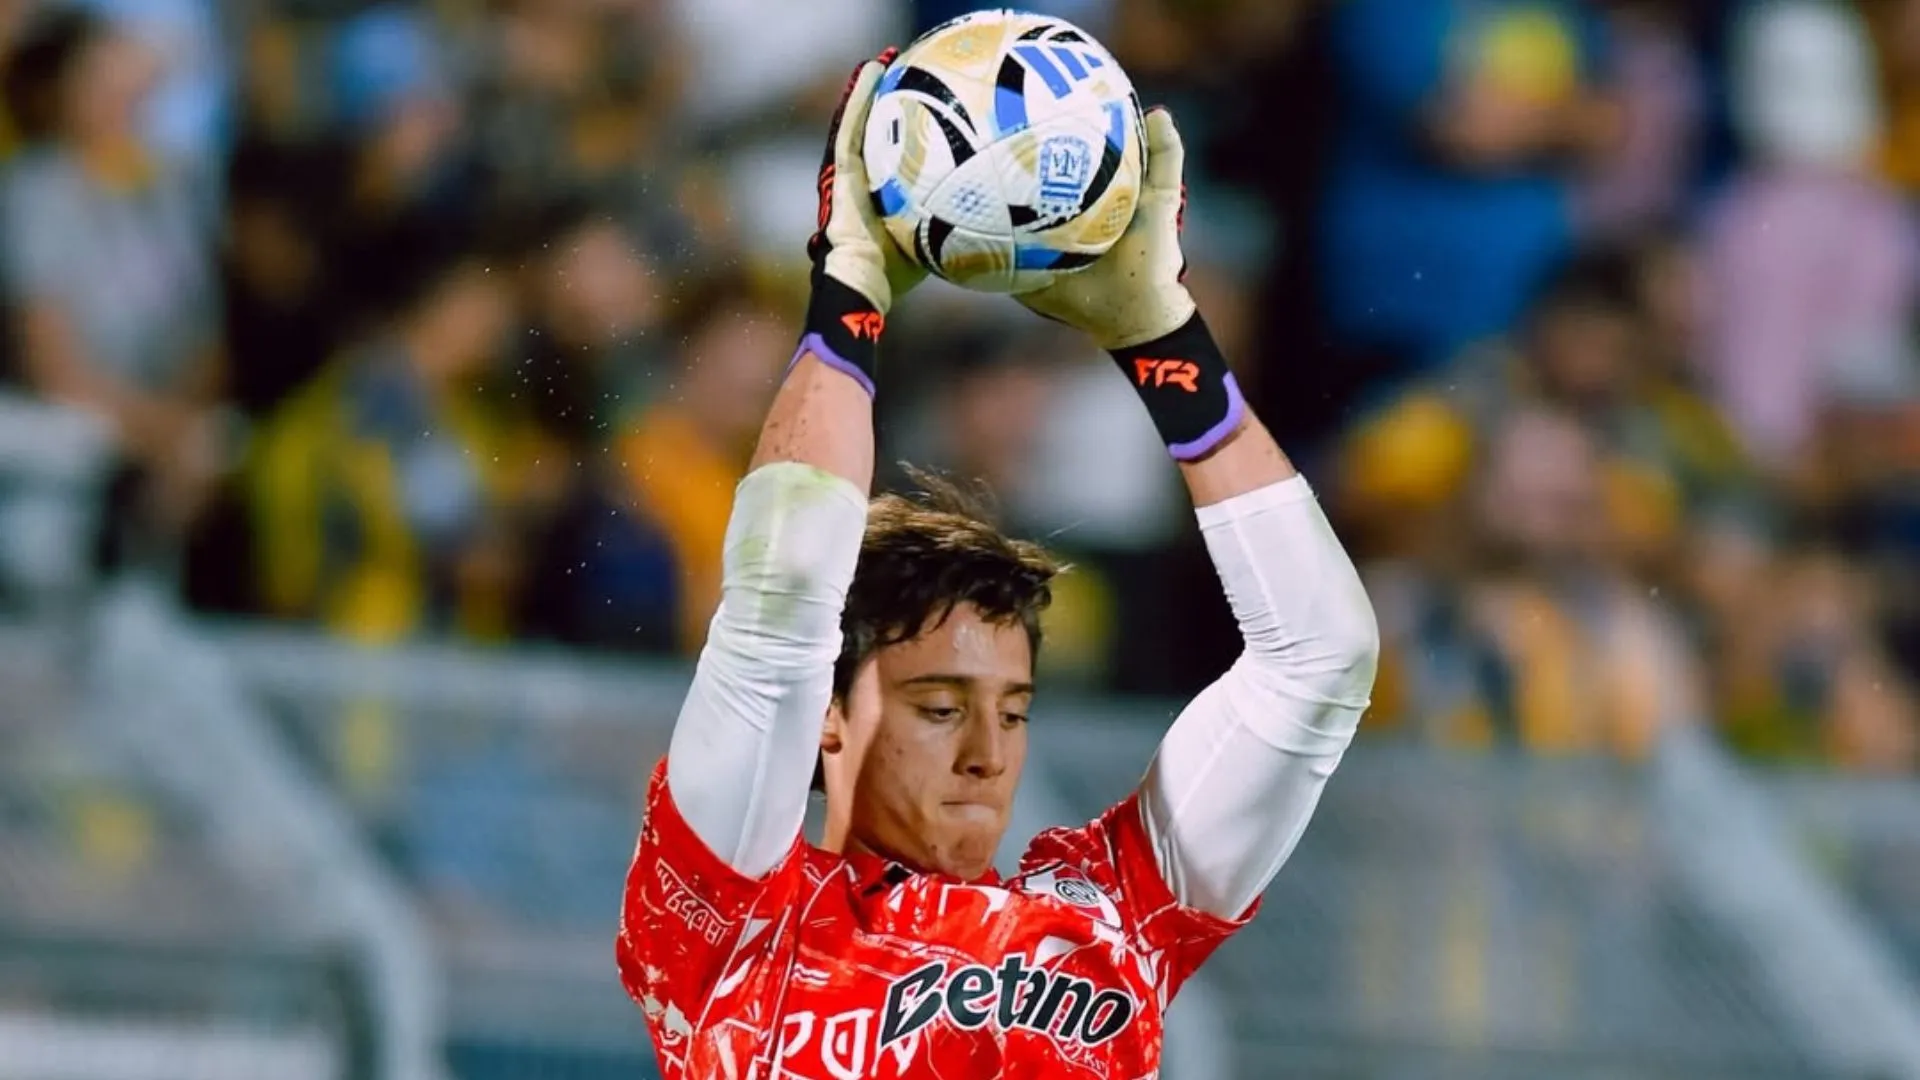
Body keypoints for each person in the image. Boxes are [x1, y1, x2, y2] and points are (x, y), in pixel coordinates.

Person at [614, 50, 1379, 1077]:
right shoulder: (730, 927)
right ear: (830, 717)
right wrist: (852, 282)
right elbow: (781, 601)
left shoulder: (1112, 920)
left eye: (1012, 709)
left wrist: (1165, 338)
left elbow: (1322, 659)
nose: (990, 753)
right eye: (940, 706)